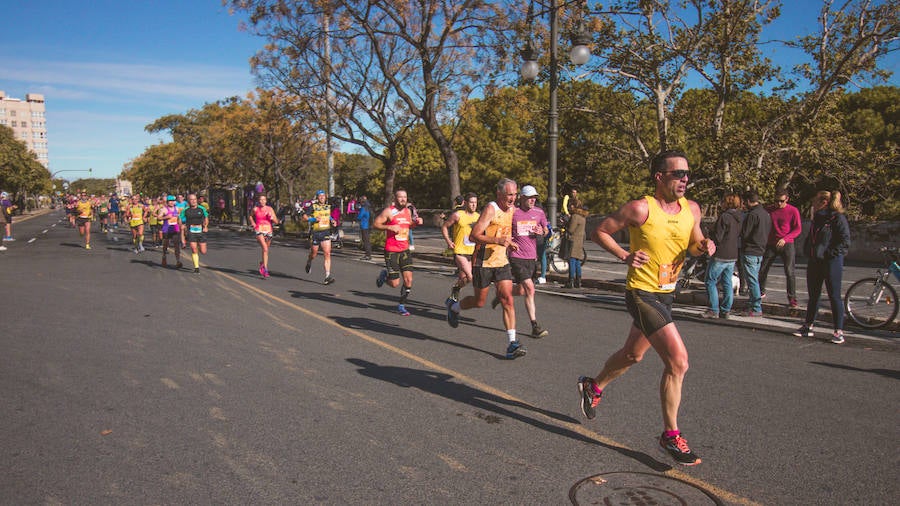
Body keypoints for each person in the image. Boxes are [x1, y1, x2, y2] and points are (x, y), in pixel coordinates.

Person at [578, 151, 714, 466]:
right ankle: (670, 436)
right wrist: (624, 255)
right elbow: (599, 231)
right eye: (677, 173)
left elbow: (695, 243)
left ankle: (593, 386)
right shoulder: (640, 208)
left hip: (667, 293)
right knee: (678, 362)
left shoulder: (691, 209)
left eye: (687, 173)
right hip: (641, 293)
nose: (684, 178)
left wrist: (704, 247)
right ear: (659, 176)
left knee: (632, 355)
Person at [446, 178, 527, 359]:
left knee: (507, 299)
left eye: (515, 195)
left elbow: (507, 232)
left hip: (501, 262)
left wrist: (511, 242)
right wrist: (497, 241)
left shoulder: (512, 210)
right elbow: (475, 235)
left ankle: (512, 343)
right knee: (479, 302)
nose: (513, 199)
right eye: (509, 195)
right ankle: (454, 308)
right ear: (499, 194)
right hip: (482, 262)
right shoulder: (491, 209)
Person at [793, 190, 851, 344]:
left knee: (834, 295)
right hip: (815, 260)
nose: (813, 204)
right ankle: (808, 325)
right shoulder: (817, 219)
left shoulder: (837, 218)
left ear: (823, 202)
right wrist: (808, 250)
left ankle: (838, 330)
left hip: (831, 261)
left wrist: (830, 253)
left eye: (815, 202)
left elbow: (845, 242)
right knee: (813, 295)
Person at [503, 185, 549, 338]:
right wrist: (508, 243)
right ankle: (535, 326)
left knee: (523, 290)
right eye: (529, 197)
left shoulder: (539, 212)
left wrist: (542, 232)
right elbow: (504, 230)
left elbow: (546, 229)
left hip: (532, 257)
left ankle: (504, 294)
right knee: (530, 288)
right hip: (517, 257)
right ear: (521, 198)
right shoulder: (513, 213)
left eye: (534, 197)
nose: (532, 200)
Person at [373, 189, 423, 315]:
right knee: (395, 283)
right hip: (391, 251)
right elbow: (376, 224)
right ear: (395, 199)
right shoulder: (389, 211)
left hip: (405, 250)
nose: (403, 199)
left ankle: (401, 304)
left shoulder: (407, 211)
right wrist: (389, 226)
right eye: (400, 197)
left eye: (405, 197)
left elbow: (408, 225)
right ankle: (384, 276)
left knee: (408, 280)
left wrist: (416, 223)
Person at [701, 192, 743, 319]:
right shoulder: (739, 217)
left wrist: (709, 233)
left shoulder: (724, 217)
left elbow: (718, 237)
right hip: (733, 253)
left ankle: (713, 309)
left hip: (721, 253)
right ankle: (726, 309)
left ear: (727, 203)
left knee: (710, 281)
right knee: (727, 282)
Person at [759, 190, 802, 308]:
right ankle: (760, 291)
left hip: (786, 244)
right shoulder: (769, 210)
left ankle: (792, 298)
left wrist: (786, 238)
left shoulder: (793, 211)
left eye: (781, 201)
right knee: (763, 268)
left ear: (787, 199)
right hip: (771, 243)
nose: (778, 204)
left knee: (789, 271)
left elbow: (797, 229)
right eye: (776, 201)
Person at [441, 192, 479, 301]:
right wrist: (448, 241)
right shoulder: (458, 215)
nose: (473, 205)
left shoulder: (478, 217)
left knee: (463, 278)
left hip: (472, 252)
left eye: (475, 203)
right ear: (466, 203)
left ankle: (456, 289)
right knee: (470, 277)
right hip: (459, 250)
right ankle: (456, 291)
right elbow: (444, 227)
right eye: (471, 203)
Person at [739, 190, 771, 317]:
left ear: (747, 201)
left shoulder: (752, 215)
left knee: (752, 281)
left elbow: (745, 233)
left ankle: (756, 307)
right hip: (760, 249)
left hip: (750, 249)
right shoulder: (765, 214)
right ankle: (753, 304)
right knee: (754, 279)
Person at [301, 190, 336, 285]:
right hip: (315, 233)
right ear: (317, 197)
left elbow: (328, 216)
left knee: (327, 253)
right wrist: (313, 219)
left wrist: (332, 220)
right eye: (320, 196)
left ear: (326, 197)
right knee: (314, 253)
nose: (321, 197)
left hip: (325, 232)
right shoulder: (313, 207)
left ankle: (327, 276)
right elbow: (304, 217)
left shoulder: (328, 207)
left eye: (323, 196)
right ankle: (309, 261)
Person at [248, 193, 278, 278]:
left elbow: (277, 221)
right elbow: (250, 216)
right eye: (261, 200)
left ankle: (262, 263)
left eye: (264, 200)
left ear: (266, 201)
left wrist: (272, 218)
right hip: (259, 230)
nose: (262, 201)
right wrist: (253, 223)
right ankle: (265, 268)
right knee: (264, 248)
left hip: (268, 231)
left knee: (266, 250)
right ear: (258, 201)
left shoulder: (270, 209)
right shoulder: (255, 209)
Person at [180, 193, 210, 274]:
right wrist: (182, 226)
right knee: (193, 248)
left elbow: (206, 218)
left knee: (203, 251)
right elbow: (180, 219)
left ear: (196, 200)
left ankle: (199, 247)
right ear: (189, 201)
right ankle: (196, 268)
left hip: (200, 231)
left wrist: (206, 226)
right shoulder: (185, 210)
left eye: (194, 199)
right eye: (191, 199)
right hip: (191, 231)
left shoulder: (201, 209)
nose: (193, 201)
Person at [563, 199, 588, 289]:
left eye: (571, 205)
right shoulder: (582, 217)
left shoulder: (575, 216)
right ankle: (578, 281)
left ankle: (571, 281)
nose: (570, 207)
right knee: (577, 261)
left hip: (572, 240)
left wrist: (566, 223)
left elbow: (571, 229)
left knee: (572, 261)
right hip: (579, 241)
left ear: (574, 206)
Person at [157, 195, 183, 269]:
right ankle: (164, 256)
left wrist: (180, 224)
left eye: (173, 201)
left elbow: (179, 217)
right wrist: (166, 217)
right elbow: (159, 218)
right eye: (170, 201)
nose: (172, 202)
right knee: (166, 244)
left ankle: (178, 261)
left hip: (175, 229)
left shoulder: (177, 209)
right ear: (167, 202)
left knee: (176, 245)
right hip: (166, 229)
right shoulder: (164, 209)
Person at [357, 195, 373, 260]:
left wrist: (357, 215)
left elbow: (359, 216)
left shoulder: (363, 208)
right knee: (367, 240)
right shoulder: (369, 208)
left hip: (364, 225)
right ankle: (368, 254)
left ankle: (367, 255)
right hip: (369, 225)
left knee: (365, 240)